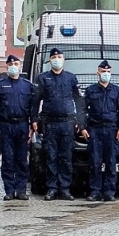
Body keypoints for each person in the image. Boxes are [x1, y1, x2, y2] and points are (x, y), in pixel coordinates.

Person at [32, 47, 81, 201]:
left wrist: (80, 120)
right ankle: (52, 188)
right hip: (50, 123)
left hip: (67, 123)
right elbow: (35, 100)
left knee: (66, 157)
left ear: (64, 59)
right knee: (51, 157)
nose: (57, 59)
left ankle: (65, 189)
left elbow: (79, 100)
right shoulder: (43, 78)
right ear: (50, 60)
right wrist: (33, 119)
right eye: (54, 57)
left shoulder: (71, 78)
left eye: (60, 56)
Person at [0, 55, 34, 201]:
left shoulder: (27, 85)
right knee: (8, 159)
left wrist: (33, 125)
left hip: (22, 125)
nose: (13, 66)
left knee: (22, 159)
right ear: (7, 66)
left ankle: (21, 190)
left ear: (20, 65)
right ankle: (9, 190)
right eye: (10, 64)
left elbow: (33, 107)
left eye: (16, 63)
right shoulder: (0, 85)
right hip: (6, 125)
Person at [82, 60, 119, 202]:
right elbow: (82, 110)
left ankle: (109, 192)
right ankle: (95, 191)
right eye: (103, 71)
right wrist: (83, 127)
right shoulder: (90, 90)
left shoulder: (117, 91)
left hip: (112, 129)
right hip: (95, 129)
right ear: (97, 73)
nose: (106, 74)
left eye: (108, 72)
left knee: (111, 162)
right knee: (95, 161)